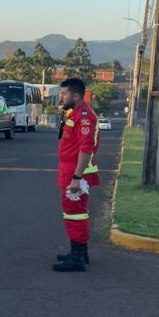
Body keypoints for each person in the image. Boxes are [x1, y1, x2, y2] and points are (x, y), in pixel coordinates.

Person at [52, 77, 100, 272]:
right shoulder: (75, 114)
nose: (61, 97)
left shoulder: (84, 116)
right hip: (69, 170)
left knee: (74, 214)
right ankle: (79, 251)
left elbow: (86, 148)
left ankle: (77, 257)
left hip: (75, 173)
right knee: (75, 213)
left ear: (76, 95)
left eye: (64, 94)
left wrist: (77, 178)